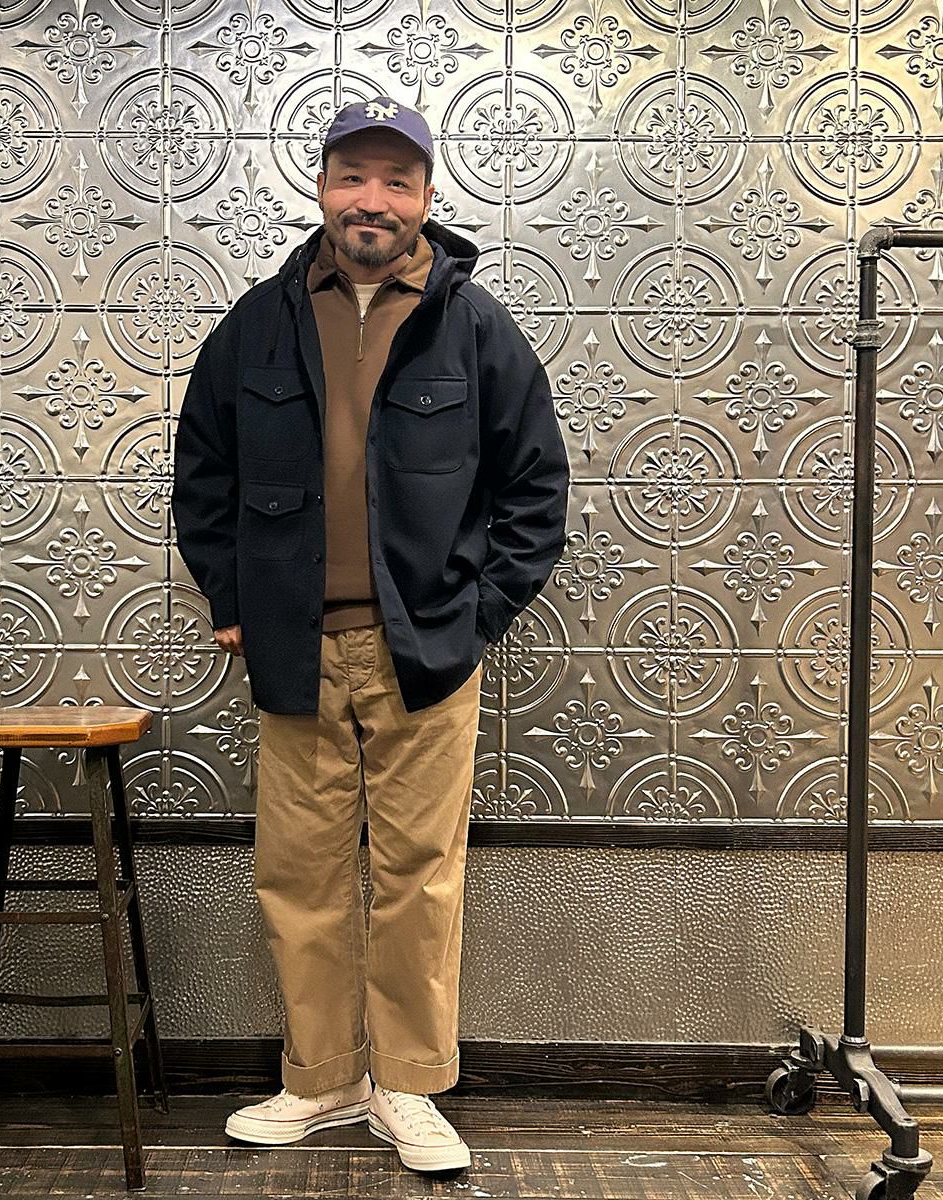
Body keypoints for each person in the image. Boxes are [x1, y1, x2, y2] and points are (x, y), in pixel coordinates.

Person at [171, 95, 569, 1173]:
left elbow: (536, 489)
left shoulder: (473, 325)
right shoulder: (256, 323)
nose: (372, 200)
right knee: (298, 876)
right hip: (292, 649)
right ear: (321, 188)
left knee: (419, 877)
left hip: (425, 653)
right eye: (354, 176)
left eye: (397, 181)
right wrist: (231, 599)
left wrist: (476, 615)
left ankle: (408, 1086)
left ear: (427, 197)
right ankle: (321, 1081)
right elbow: (202, 471)